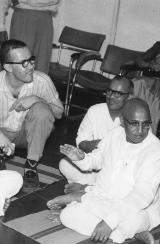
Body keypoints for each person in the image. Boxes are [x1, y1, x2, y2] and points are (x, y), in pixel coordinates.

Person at [47, 98, 160, 244]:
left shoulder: (155, 152)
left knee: (136, 220)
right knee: (67, 215)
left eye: (146, 124)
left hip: (137, 208)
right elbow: (97, 161)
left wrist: (109, 222)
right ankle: (130, 233)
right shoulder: (114, 134)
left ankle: (126, 228)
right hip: (106, 199)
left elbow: (141, 197)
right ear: (123, 121)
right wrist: (81, 158)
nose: (141, 130)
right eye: (135, 123)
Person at [0, 39, 64, 188]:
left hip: (25, 135)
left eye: (31, 60)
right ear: (8, 67)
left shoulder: (42, 81)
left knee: (42, 110)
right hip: (2, 134)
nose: (31, 66)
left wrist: (37, 99)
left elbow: (59, 113)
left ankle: (30, 166)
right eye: (24, 63)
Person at [63, 75, 134, 192]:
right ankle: (93, 189)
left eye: (118, 94)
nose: (111, 97)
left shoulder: (135, 119)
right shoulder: (95, 110)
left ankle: (87, 189)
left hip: (118, 174)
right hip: (94, 167)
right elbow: (81, 144)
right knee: (65, 164)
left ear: (129, 97)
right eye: (110, 91)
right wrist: (103, 143)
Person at [1, 0, 61, 74]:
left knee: (42, 65)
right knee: (19, 62)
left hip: (45, 18)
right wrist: (1, 25)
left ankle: (39, 85)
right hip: (23, 16)